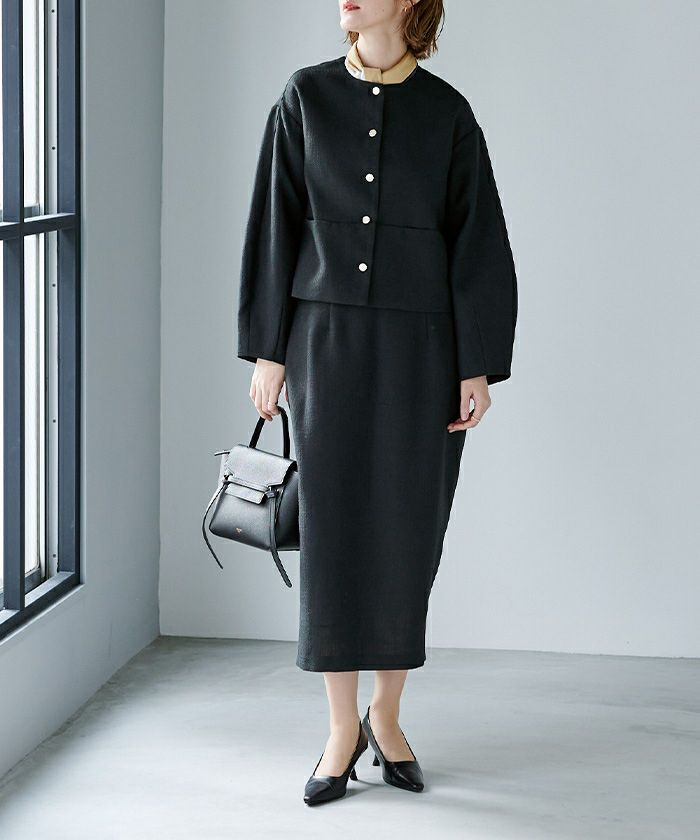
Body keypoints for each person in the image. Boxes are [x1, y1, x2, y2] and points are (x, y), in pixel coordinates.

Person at [236, 0, 517, 806]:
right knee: (332, 533)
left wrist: (475, 365)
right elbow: (275, 221)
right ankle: (339, 729)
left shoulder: (447, 113)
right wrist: (269, 348)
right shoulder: (304, 96)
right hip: (323, 343)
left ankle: (386, 719)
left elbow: (477, 242)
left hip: (423, 351)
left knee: (406, 529)